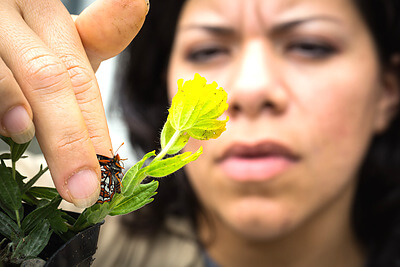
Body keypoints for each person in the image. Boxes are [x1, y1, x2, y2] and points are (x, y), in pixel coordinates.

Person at [1, 0, 400, 267]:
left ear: (387, 89)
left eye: (310, 45)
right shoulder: (79, 225)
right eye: (208, 50)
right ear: (163, 88)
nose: (251, 88)